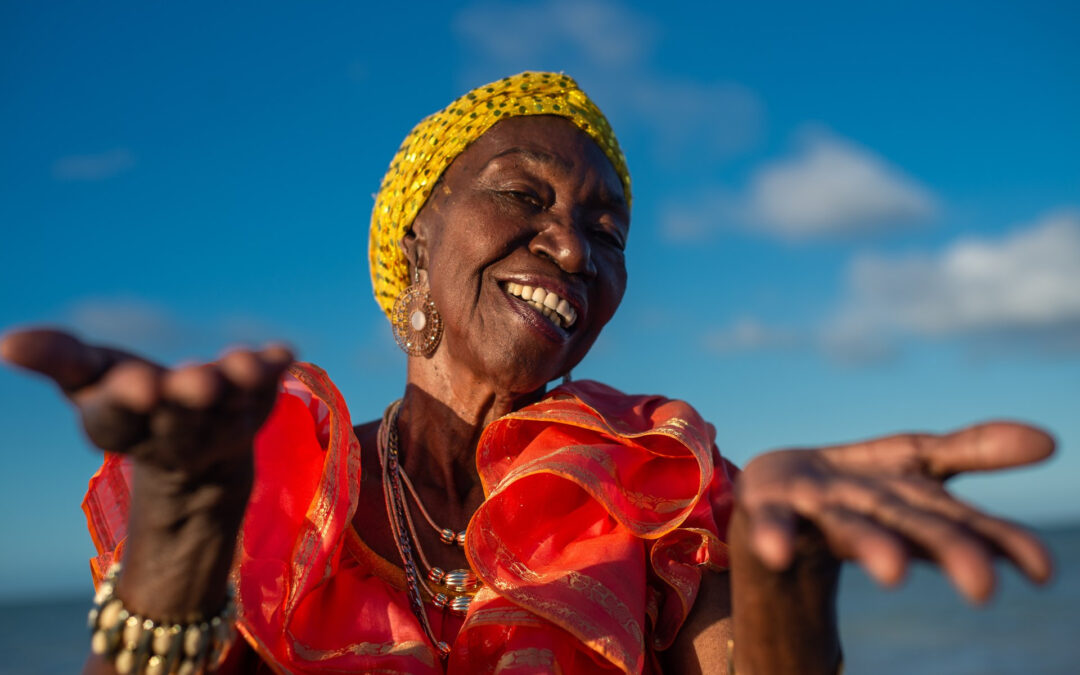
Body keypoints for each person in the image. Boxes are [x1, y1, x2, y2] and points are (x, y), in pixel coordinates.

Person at [0, 72, 1055, 675]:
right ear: (415, 243)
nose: (573, 246)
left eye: (607, 228)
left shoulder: (650, 487)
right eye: (524, 197)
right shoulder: (266, 479)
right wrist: (182, 542)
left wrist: (787, 587)